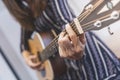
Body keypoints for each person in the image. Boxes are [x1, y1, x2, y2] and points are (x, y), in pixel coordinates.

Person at [3, 0, 120, 80]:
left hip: (85, 55)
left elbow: (65, 22)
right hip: (64, 72)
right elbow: (24, 42)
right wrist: (26, 55)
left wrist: (72, 40)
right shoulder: (26, 10)